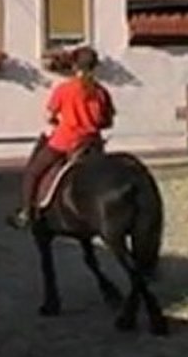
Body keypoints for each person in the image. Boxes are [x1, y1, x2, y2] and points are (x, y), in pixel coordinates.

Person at [6, 45, 115, 230]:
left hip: (65, 142)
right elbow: (107, 122)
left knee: (33, 172)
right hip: (93, 144)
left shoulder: (64, 89)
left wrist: (60, 120)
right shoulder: (101, 92)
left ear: (74, 66)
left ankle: (26, 213)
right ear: (95, 67)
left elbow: (49, 116)